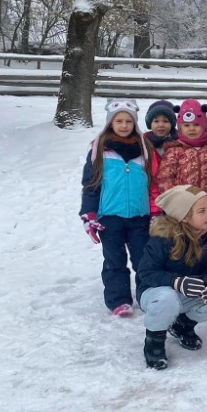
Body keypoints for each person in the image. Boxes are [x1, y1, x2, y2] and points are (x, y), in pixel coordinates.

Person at [137, 186, 207, 369]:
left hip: (185, 291)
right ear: (184, 216)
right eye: (201, 211)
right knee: (167, 299)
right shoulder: (162, 238)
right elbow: (146, 273)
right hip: (154, 293)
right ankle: (154, 341)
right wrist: (175, 281)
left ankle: (182, 326)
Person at [79, 99, 153, 317]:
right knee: (114, 260)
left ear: (135, 123)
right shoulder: (100, 149)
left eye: (128, 121)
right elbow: (91, 185)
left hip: (140, 216)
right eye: (118, 120)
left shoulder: (144, 149)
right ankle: (118, 299)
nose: (123, 125)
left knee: (144, 259)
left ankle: (148, 296)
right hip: (109, 217)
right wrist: (89, 214)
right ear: (110, 122)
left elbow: (153, 183)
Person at [156, 99, 207, 218]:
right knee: (183, 236)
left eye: (196, 125)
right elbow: (165, 178)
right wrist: (174, 201)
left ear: (204, 126)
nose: (191, 129)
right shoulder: (174, 151)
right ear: (180, 128)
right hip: (182, 208)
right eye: (187, 125)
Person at [144, 100, 177, 216]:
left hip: (174, 199)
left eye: (165, 121)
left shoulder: (179, 144)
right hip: (150, 200)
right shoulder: (143, 143)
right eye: (156, 121)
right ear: (150, 123)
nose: (161, 125)